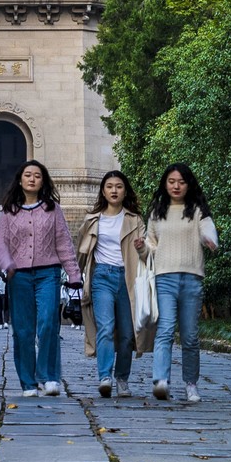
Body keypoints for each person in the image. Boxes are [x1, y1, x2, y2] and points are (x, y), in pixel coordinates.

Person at [0, 160, 81, 397]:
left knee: (48, 324)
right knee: (23, 330)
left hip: (48, 274)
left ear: (44, 181)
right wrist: (6, 264)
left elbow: (64, 243)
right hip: (18, 276)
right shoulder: (9, 211)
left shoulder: (53, 210)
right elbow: (0, 243)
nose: (32, 179)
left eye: (37, 176)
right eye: (28, 175)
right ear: (20, 180)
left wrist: (73, 273)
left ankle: (50, 376)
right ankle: (28, 382)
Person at [144, 162, 218, 404]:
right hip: (164, 276)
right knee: (165, 329)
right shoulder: (157, 212)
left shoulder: (197, 210)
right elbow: (151, 246)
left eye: (181, 182)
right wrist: (141, 247)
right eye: (171, 181)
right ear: (165, 184)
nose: (176, 186)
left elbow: (208, 229)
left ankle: (191, 385)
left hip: (192, 278)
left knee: (190, 336)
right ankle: (160, 381)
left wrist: (209, 239)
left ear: (189, 185)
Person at [76, 169, 146, 398]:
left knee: (127, 334)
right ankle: (104, 377)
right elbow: (81, 251)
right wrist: (74, 274)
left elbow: (147, 253)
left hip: (129, 278)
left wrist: (142, 247)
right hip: (102, 277)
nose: (114, 190)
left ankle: (122, 379)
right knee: (105, 327)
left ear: (125, 191)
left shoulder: (135, 220)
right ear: (103, 191)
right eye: (109, 186)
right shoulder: (92, 219)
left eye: (118, 186)